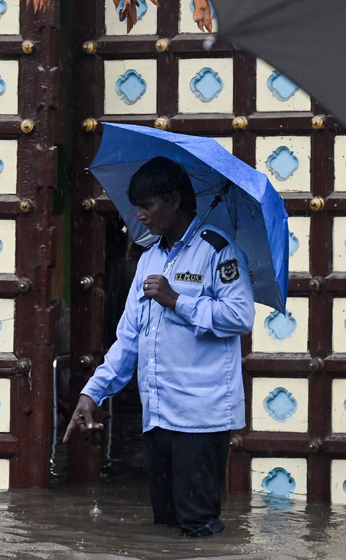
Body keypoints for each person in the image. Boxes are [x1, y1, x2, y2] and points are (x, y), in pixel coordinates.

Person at [63, 156, 255, 538]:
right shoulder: (148, 258)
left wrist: (177, 301)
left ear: (173, 201)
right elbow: (129, 338)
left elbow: (240, 317)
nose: (140, 215)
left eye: (147, 205)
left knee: (199, 525)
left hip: (200, 417)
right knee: (166, 526)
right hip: (159, 415)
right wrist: (92, 392)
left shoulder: (217, 250)